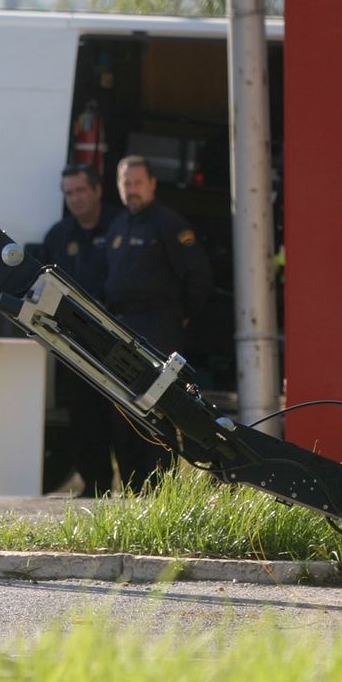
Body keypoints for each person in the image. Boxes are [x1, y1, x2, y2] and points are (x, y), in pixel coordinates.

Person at [102, 154, 215, 490]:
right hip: (124, 327)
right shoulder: (118, 226)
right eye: (126, 183)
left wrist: (180, 316)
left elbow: (199, 276)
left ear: (152, 184)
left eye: (137, 183)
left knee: (157, 410)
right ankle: (131, 488)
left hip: (157, 328)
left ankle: (158, 489)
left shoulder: (169, 224)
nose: (132, 190)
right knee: (123, 410)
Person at [41, 163, 121, 496]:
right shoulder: (59, 235)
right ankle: (95, 487)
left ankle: (139, 488)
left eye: (80, 191)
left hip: (119, 344)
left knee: (123, 421)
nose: (74, 198)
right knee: (84, 420)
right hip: (75, 344)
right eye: (68, 193)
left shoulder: (121, 225)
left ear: (97, 190)